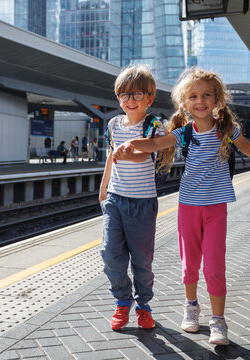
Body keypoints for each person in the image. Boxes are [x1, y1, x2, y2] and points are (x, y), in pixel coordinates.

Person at [114, 67, 250, 345]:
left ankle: (219, 321)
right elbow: (158, 142)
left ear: (218, 99)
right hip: (188, 208)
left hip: (215, 208)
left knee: (215, 265)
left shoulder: (227, 130)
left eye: (207, 95)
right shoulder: (184, 133)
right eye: (194, 96)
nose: (201, 100)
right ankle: (191, 307)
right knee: (190, 265)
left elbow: (244, 144)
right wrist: (133, 143)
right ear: (185, 103)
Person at [99, 64, 165, 331]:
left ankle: (144, 306)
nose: (130, 101)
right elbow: (111, 158)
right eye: (124, 95)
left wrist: (129, 153)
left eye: (137, 95)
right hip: (115, 198)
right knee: (110, 253)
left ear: (149, 98)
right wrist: (103, 189)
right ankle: (122, 300)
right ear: (118, 98)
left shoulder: (153, 125)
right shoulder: (113, 124)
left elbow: (145, 154)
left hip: (143, 202)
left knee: (142, 259)